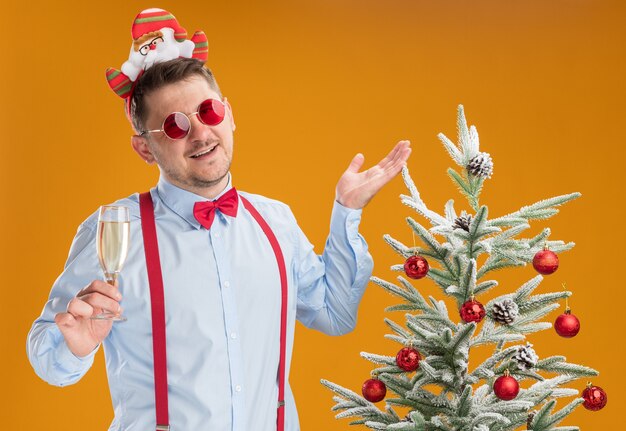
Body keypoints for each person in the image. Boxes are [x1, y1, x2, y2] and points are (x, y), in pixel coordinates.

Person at [27, 9, 412, 431]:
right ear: (144, 149)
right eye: (174, 126)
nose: (200, 134)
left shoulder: (275, 221)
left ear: (228, 114)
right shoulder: (116, 229)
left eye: (207, 112)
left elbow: (334, 314)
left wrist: (347, 212)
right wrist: (74, 349)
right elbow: (50, 360)